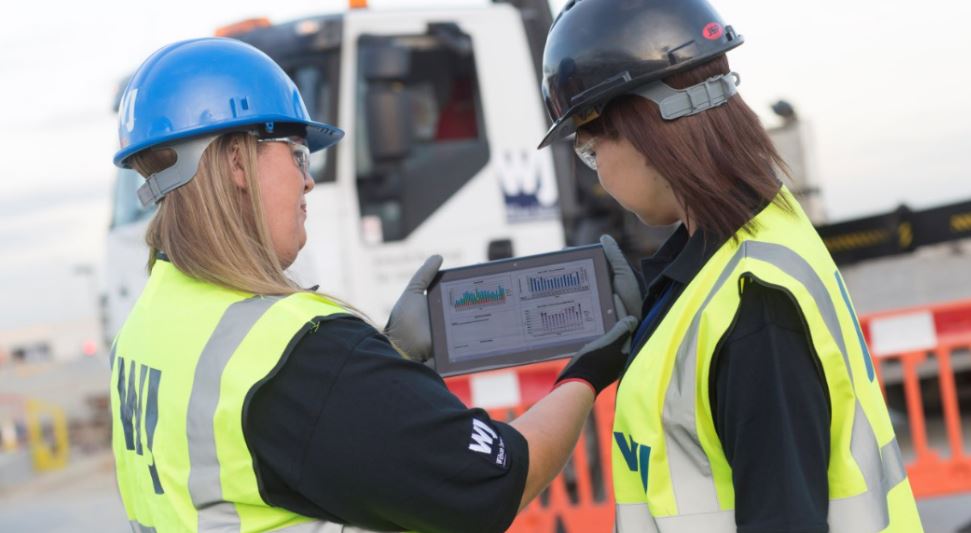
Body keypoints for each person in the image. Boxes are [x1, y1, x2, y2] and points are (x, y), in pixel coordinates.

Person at [109, 37, 638, 533]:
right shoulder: (299, 354)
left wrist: (384, 360)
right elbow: (495, 480)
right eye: (297, 154)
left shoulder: (149, 322)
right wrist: (587, 374)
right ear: (235, 163)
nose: (309, 179)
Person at [536, 1, 924, 532]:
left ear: (647, 129)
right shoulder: (763, 232)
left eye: (588, 144)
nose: (595, 166)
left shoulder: (753, 306)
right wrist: (649, 322)